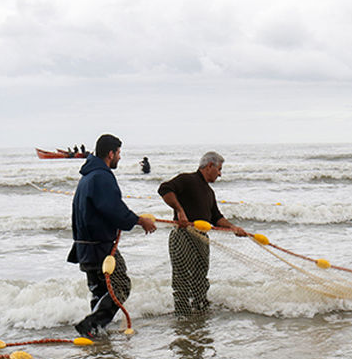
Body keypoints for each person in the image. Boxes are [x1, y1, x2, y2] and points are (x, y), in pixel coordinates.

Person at [68, 134, 157, 337]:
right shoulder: (102, 176)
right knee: (121, 286)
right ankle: (91, 325)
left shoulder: (87, 177)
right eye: (118, 153)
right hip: (100, 247)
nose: (119, 157)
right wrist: (139, 220)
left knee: (99, 290)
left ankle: (96, 331)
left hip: (84, 247)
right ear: (110, 154)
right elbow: (113, 209)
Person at [157, 151, 249, 314]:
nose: (220, 174)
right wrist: (180, 211)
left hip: (202, 238)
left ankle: (200, 313)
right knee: (183, 278)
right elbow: (164, 189)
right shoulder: (187, 179)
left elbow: (216, 217)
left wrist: (233, 228)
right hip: (183, 235)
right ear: (209, 166)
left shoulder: (209, 192)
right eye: (219, 169)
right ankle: (182, 316)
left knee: (200, 277)